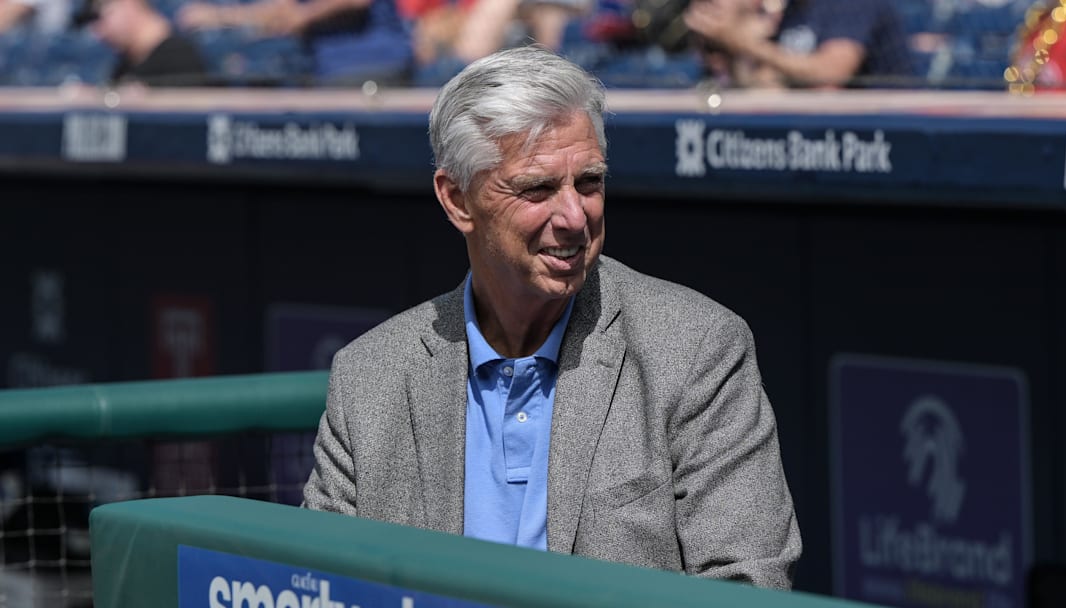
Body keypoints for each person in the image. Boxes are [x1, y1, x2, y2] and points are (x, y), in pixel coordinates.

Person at [302, 45, 801, 587]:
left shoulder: (696, 349)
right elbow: (319, 586)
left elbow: (747, 585)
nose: (573, 216)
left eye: (589, 183)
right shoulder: (369, 376)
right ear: (457, 199)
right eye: (537, 189)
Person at [178, 0, 412, 85]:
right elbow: (280, 12)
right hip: (324, 71)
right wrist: (217, 16)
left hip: (371, 65)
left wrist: (305, 15)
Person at [685, 0, 912, 87]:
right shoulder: (793, 11)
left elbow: (831, 73)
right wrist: (733, 51)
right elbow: (768, 82)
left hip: (884, 140)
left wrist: (745, 45)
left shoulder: (851, 4)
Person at [86, 0, 208, 86]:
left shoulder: (180, 55)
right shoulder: (124, 64)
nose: (98, 31)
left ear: (129, 4)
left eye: (100, 16)